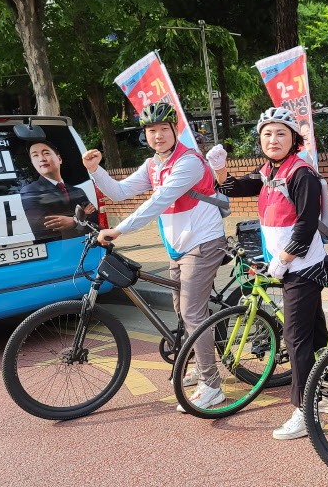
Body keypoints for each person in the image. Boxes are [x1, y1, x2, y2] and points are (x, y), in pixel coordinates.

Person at [81, 102, 227, 412]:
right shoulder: (153, 165)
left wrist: (117, 230)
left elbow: (158, 202)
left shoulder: (189, 162)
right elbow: (120, 192)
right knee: (181, 307)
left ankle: (212, 385)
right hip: (178, 247)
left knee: (191, 312)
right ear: (144, 135)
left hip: (203, 243)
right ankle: (199, 365)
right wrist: (96, 170)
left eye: (163, 129)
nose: (157, 135)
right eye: (151, 131)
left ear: (175, 130)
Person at [206, 107, 328, 440]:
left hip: (302, 267)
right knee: (315, 333)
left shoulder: (301, 173)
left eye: (281, 133)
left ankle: (305, 411)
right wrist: (221, 170)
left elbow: (307, 225)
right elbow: (233, 189)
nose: (273, 139)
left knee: (295, 339)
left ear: (294, 138)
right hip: (289, 265)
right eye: (267, 133)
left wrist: (281, 260)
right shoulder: (270, 170)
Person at [20, 140, 97, 240]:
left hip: (83, 243)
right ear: (32, 163)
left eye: (46, 153)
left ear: (59, 159)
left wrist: (73, 221)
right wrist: (81, 217)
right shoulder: (30, 192)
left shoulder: (78, 191)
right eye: (35, 156)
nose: (42, 159)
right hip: (57, 247)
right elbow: (45, 228)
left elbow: (96, 221)